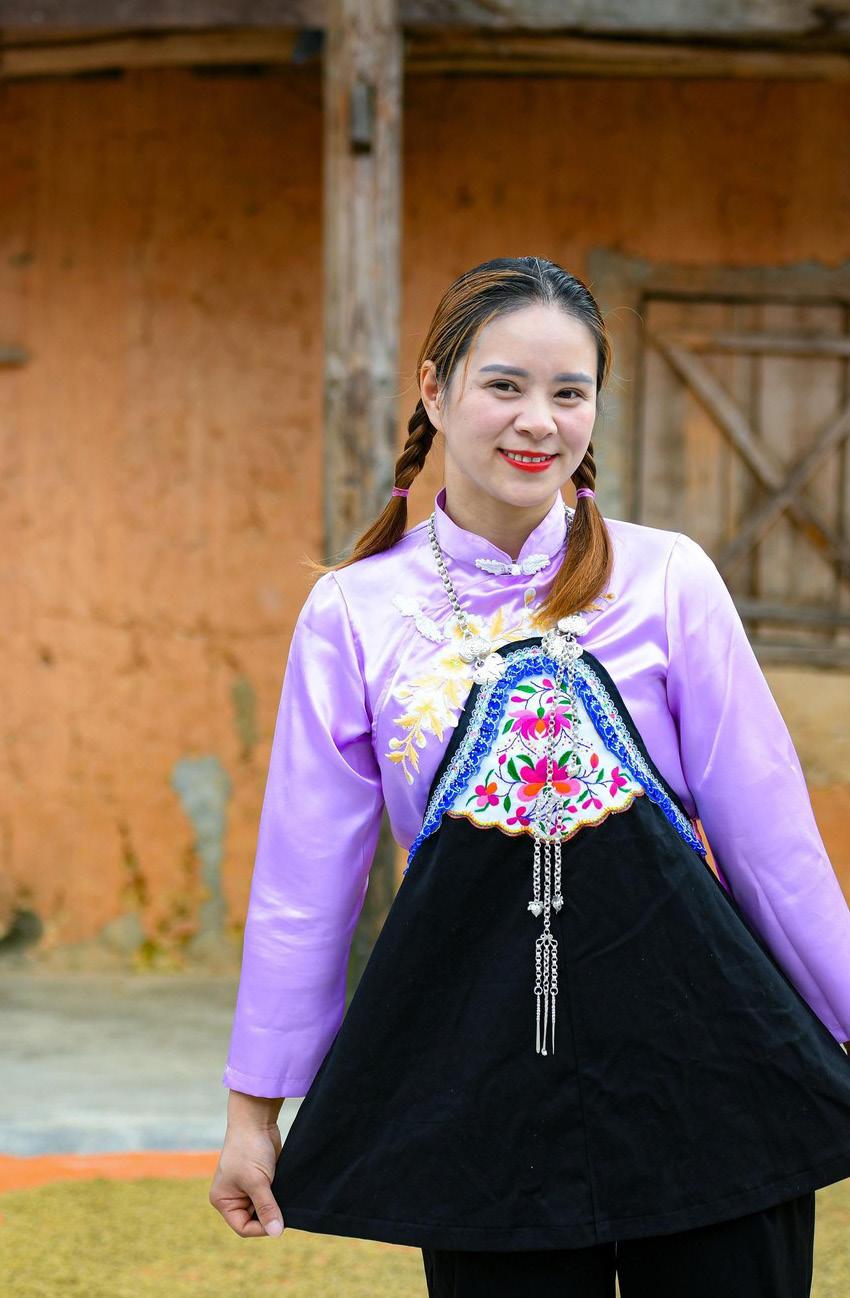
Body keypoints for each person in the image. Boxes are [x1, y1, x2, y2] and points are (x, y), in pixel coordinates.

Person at [209, 256, 850, 1297]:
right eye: (504, 384)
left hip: (710, 1068)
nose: (538, 422)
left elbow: (771, 843)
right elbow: (304, 884)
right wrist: (254, 1113)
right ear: (435, 389)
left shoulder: (668, 578)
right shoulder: (353, 614)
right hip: (481, 1091)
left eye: (570, 392)